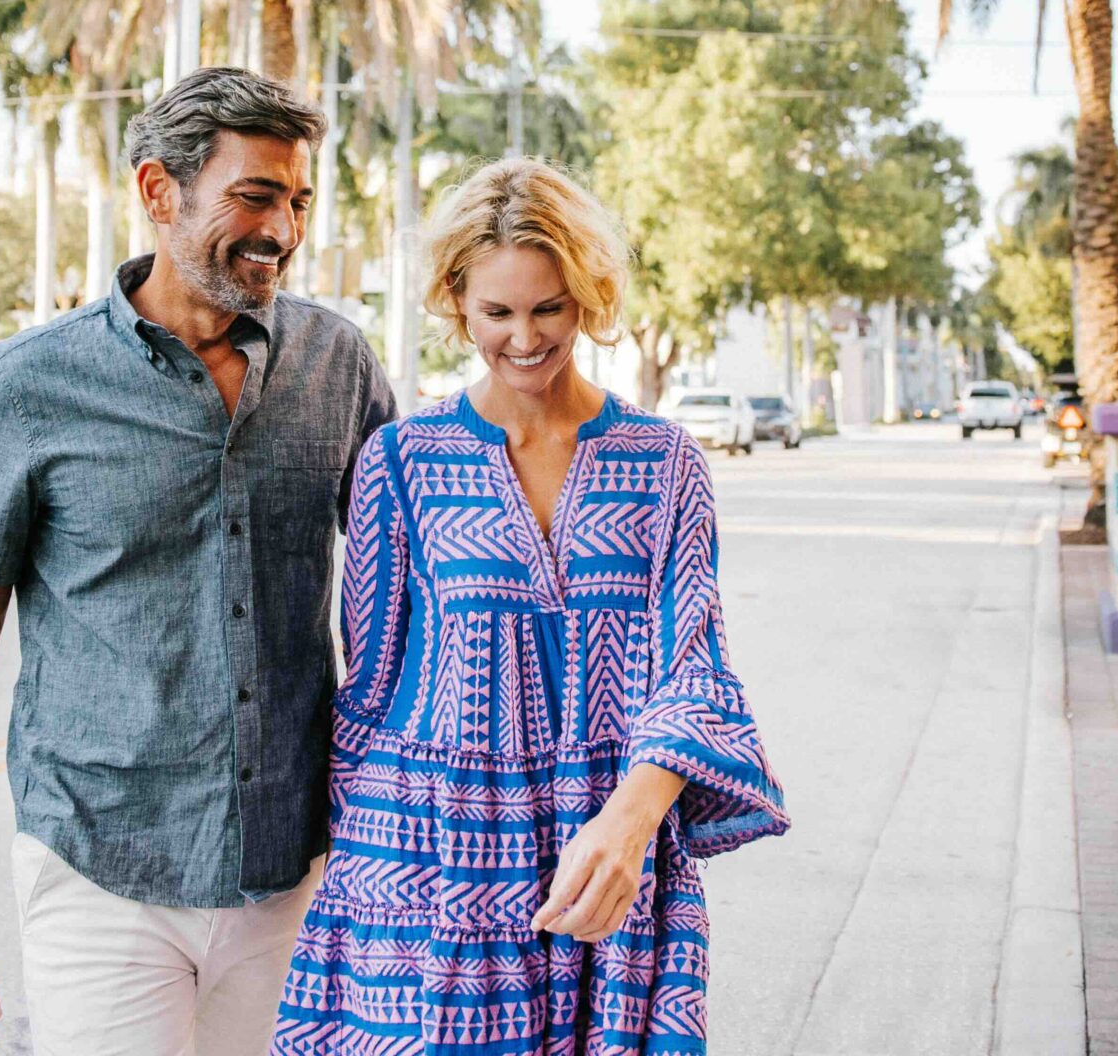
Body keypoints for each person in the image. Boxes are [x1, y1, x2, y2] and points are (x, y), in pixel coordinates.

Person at [0, 67, 397, 1054]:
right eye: (253, 196)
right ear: (158, 190)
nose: (283, 229)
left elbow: (415, 595)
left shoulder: (336, 364)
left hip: (293, 866)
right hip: (100, 866)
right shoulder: (33, 382)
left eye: (298, 200)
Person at [271, 159, 788, 1054]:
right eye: (496, 312)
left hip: (611, 858)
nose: (523, 338)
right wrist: (364, 884)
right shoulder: (401, 462)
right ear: (456, 305)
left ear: (586, 295)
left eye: (548, 308)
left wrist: (633, 820)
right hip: (440, 856)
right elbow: (374, 685)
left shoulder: (665, 464)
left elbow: (692, 661)